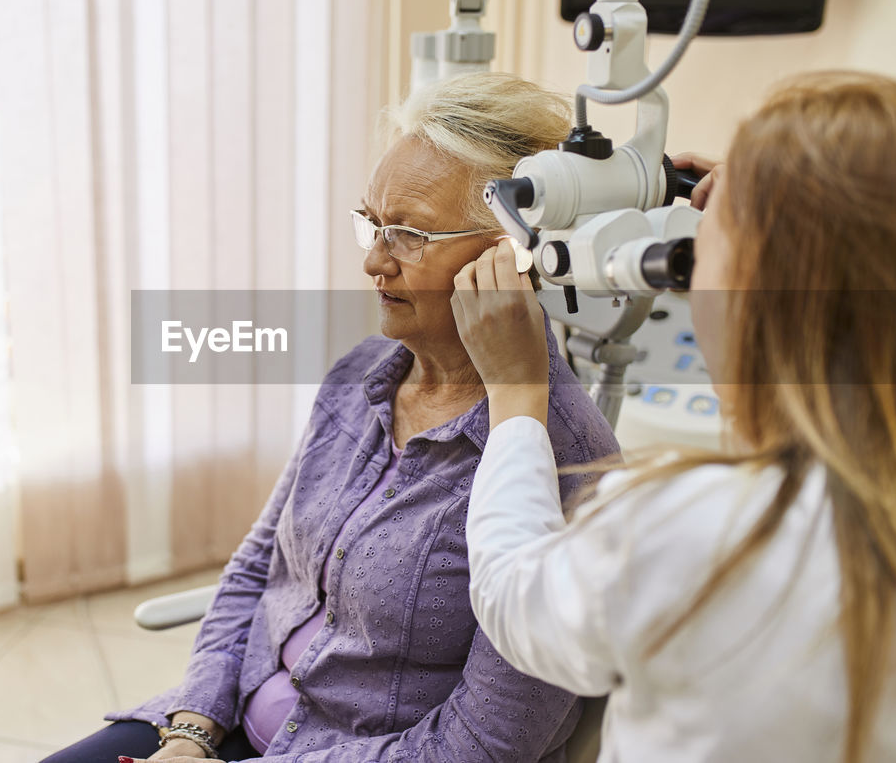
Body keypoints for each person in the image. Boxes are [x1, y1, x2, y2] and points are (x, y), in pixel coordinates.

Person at [41, 72, 619, 763]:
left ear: (511, 253)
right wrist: (190, 730)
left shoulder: (570, 462)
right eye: (373, 224)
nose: (374, 260)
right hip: (224, 722)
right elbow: (260, 565)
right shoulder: (364, 372)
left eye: (408, 234)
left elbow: (484, 742)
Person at [452, 71, 896, 762]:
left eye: (703, 255)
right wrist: (780, 190)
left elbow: (518, 601)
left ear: (763, 296)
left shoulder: (696, 525)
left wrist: (514, 392)